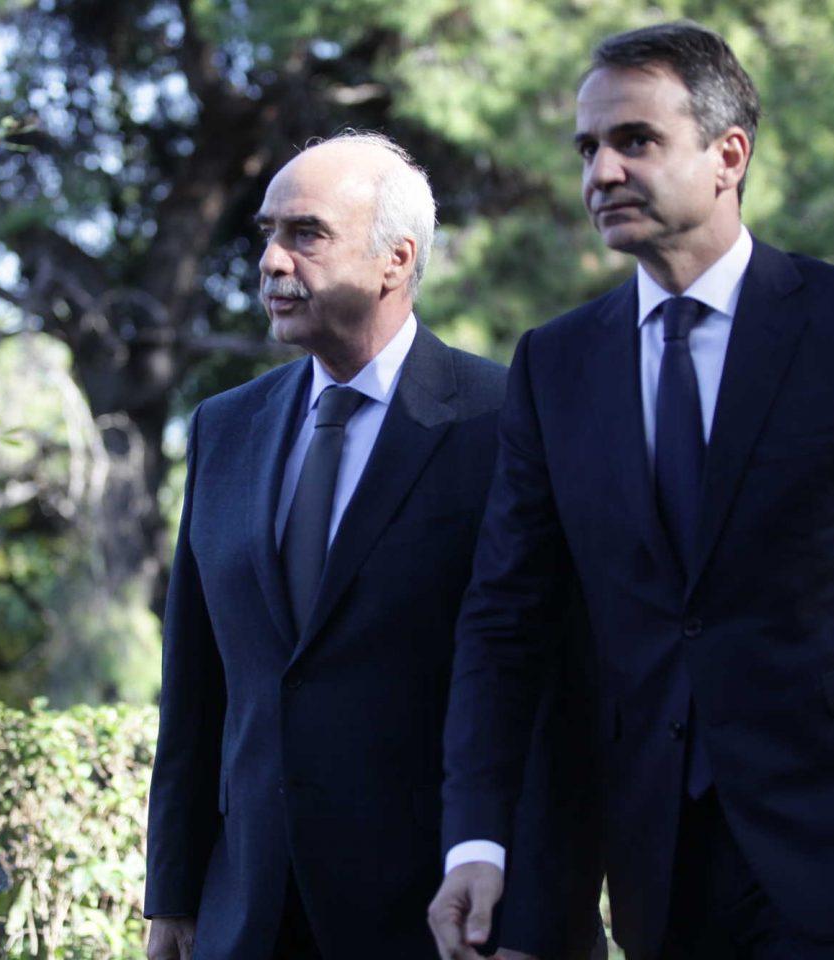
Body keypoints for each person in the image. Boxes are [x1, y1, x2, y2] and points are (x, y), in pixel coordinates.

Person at [429, 21, 834, 960]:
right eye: (588, 148)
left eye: (635, 140)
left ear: (729, 156)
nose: (601, 172)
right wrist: (478, 840)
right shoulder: (554, 364)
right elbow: (504, 620)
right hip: (659, 867)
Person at [143, 131, 602, 960]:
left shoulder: (507, 421)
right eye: (267, 234)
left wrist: (539, 923)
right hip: (245, 917)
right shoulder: (223, 429)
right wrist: (173, 895)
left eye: (306, 234)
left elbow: (554, 695)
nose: (272, 262)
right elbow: (196, 685)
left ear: (397, 260)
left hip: (439, 920)